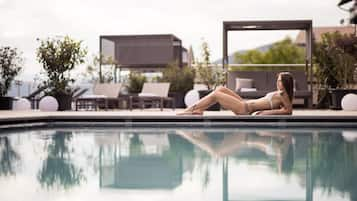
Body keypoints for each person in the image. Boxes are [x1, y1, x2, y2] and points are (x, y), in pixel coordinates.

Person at [177, 72, 294, 115]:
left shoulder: (283, 95)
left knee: (216, 95)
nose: (278, 83)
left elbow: (288, 111)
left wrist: (265, 113)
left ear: (286, 83)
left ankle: (190, 110)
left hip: (244, 109)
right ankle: (198, 110)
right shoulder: (281, 93)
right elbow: (284, 109)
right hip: (245, 104)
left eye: (280, 81)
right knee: (220, 89)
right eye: (278, 80)